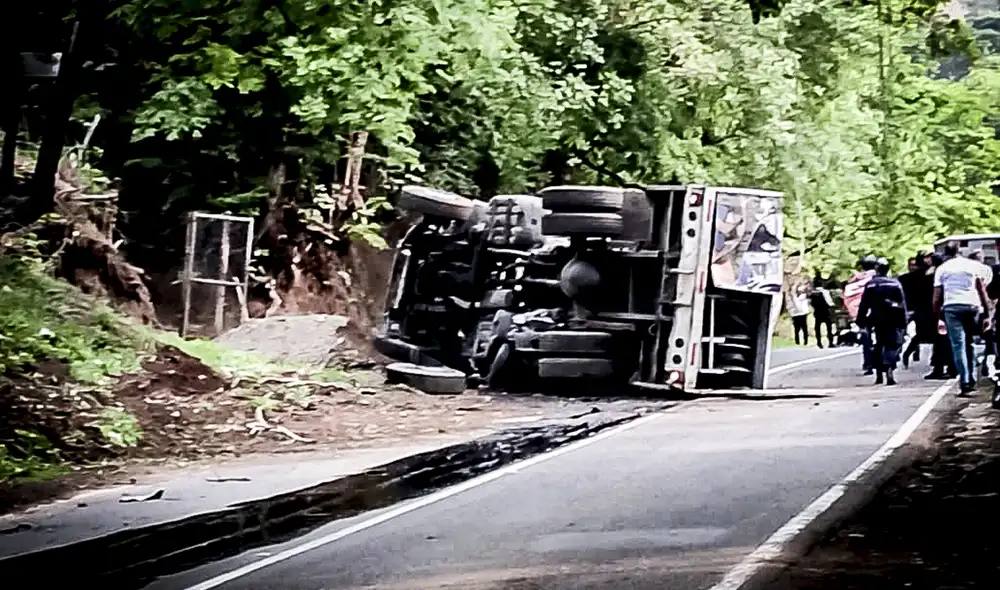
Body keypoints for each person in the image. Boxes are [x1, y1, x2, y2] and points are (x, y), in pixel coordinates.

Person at [933, 241, 994, 395]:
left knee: (958, 345)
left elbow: (936, 297)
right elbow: (981, 290)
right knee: (969, 342)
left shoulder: (942, 268)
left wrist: (939, 316)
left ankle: (965, 381)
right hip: (972, 306)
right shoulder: (972, 266)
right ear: (959, 251)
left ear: (946, 254)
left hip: (951, 307)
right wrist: (987, 314)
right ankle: (972, 379)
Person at [857, 257, 908, 385]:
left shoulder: (871, 284)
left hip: (876, 318)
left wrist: (861, 320)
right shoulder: (895, 283)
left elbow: (864, 304)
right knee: (891, 345)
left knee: (878, 344)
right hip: (893, 319)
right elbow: (902, 304)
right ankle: (889, 369)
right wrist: (904, 321)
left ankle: (879, 373)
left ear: (877, 269)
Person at [844, 255, 878, 374]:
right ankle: (880, 361)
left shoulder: (855, 280)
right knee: (881, 337)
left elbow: (848, 295)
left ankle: (868, 363)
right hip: (878, 311)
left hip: (862, 311)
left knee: (866, 337)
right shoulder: (878, 277)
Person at [810, 271, 835, 348]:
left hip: (817, 311)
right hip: (825, 311)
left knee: (817, 327)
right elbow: (830, 302)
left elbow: (810, 302)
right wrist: (833, 306)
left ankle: (819, 342)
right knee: (829, 327)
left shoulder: (812, 293)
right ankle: (830, 342)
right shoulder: (825, 292)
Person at [787, 280, 811, 346]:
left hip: (802, 313)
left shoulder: (803, 296)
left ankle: (805, 342)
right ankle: (797, 342)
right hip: (795, 314)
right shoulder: (794, 296)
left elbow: (800, 302)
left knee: (804, 328)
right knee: (797, 329)